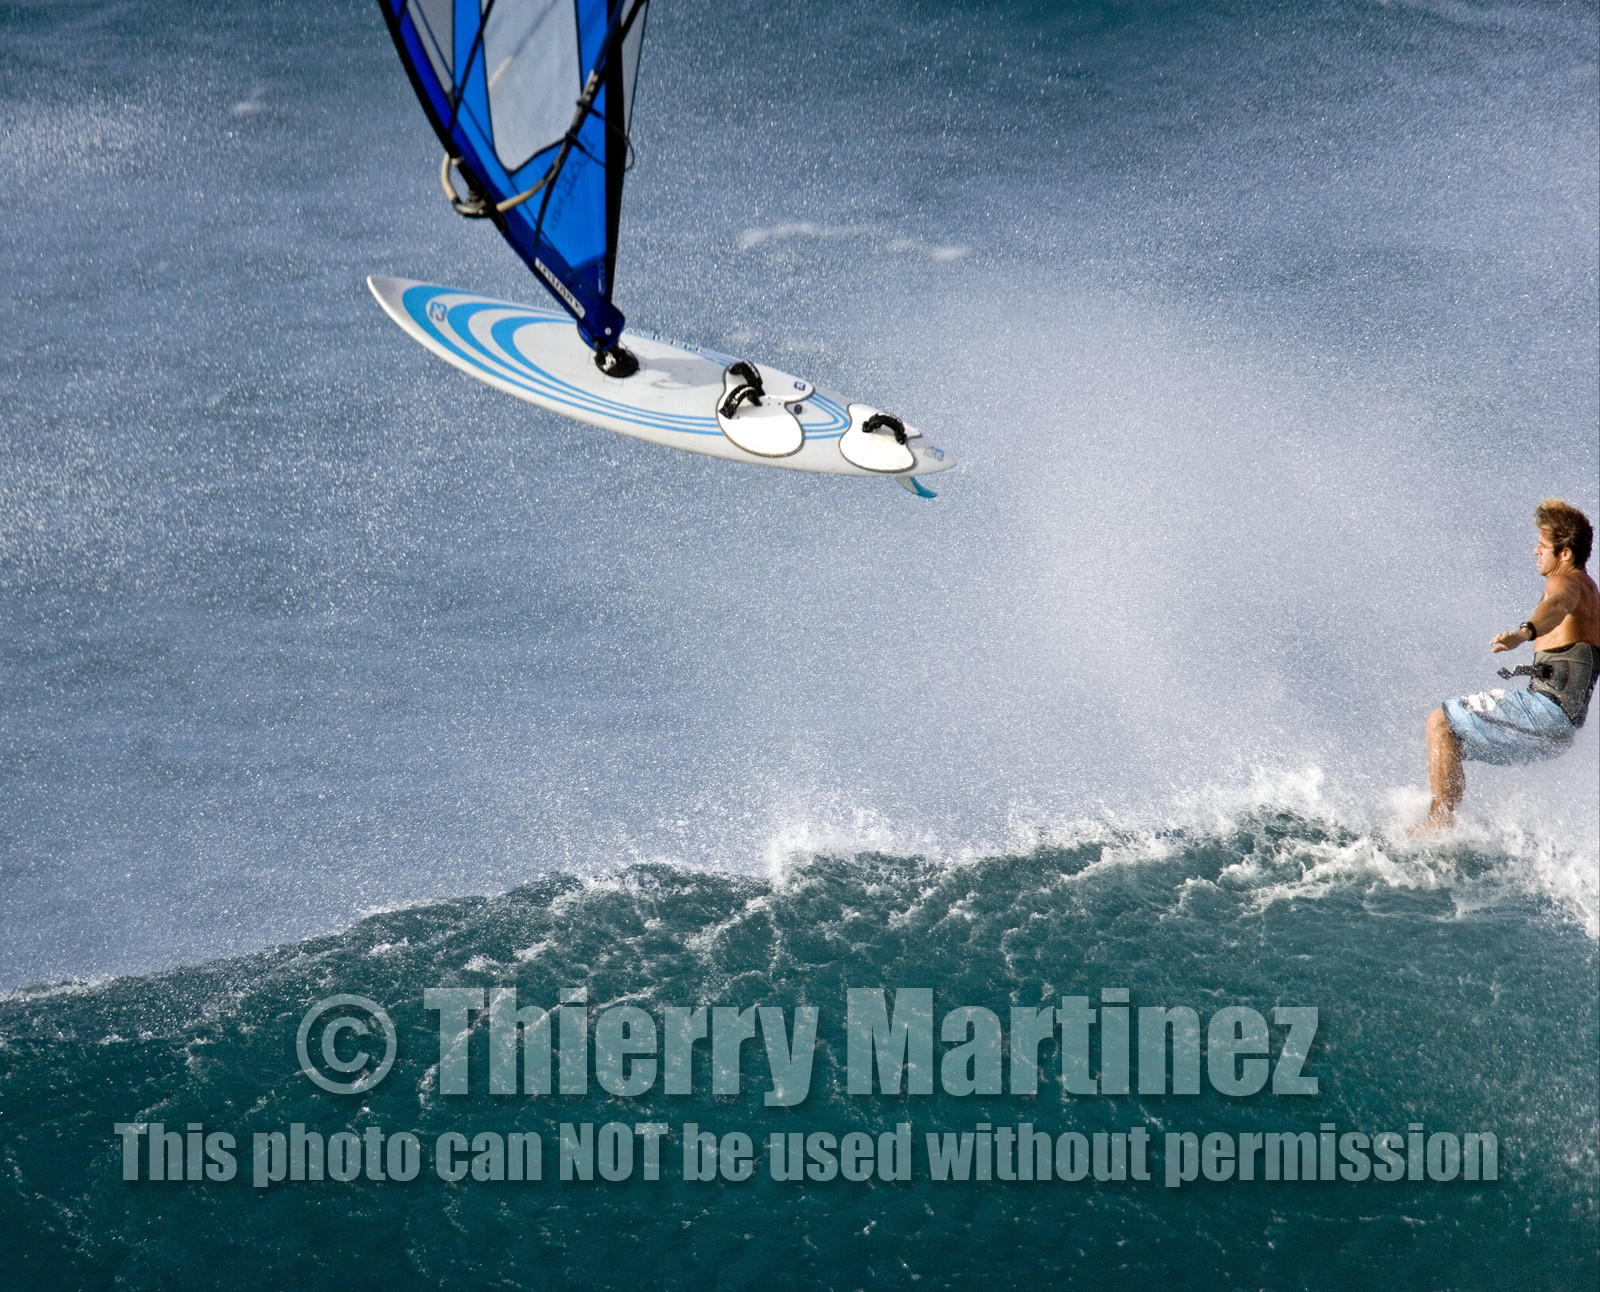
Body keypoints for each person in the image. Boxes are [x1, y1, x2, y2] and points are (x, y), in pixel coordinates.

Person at [1424, 498, 1600, 829]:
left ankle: (1437, 827)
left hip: (1546, 715)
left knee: (1441, 722)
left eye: (1542, 546)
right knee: (1449, 741)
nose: (1536, 551)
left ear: (1564, 553)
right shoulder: (1590, 591)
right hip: (1555, 733)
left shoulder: (1567, 582)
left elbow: (1556, 605)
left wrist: (1525, 632)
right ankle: (1446, 826)